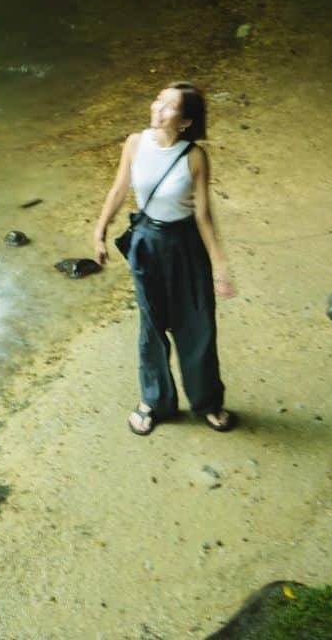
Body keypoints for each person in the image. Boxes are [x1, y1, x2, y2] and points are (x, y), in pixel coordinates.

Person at [92, 82, 236, 437]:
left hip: (186, 244)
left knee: (197, 325)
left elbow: (203, 215)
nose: (157, 108)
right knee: (151, 326)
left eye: (169, 106)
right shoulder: (135, 143)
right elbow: (119, 187)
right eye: (158, 100)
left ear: (185, 121)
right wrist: (99, 231)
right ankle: (154, 401)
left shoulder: (194, 156)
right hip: (148, 243)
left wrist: (220, 266)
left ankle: (207, 402)